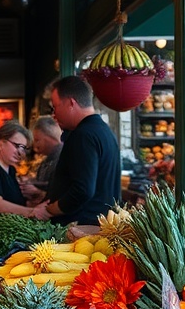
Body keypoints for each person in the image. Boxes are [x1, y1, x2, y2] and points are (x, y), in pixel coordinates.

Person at [31, 75, 121, 225]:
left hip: (81, 229)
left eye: (56, 106)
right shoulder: (103, 130)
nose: (54, 114)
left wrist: (49, 209)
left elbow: (82, 190)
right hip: (98, 225)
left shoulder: (83, 135)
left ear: (71, 103)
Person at [31, 116, 63, 186]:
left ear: (50, 138)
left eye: (37, 140)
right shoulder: (46, 161)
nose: (35, 146)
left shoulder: (64, 159)